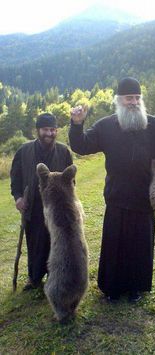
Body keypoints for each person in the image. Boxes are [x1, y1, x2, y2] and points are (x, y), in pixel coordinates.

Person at [69, 77, 155, 303]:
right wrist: (76, 124)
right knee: (115, 245)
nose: (133, 102)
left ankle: (135, 288)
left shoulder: (153, 124)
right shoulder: (105, 126)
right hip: (117, 196)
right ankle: (112, 289)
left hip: (144, 197)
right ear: (119, 100)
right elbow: (81, 146)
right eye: (128, 98)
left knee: (139, 246)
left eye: (136, 97)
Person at [10, 113, 73, 290]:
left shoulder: (63, 151)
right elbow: (16, 178)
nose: (50, 133)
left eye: (53, 130)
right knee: (35, 243)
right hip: (34, 207)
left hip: (58, 208)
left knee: (57, 243)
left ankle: (57, 277)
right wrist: (18, 198)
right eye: (46, 129)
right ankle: (34, 278)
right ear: (38, 130)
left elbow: (71, 181)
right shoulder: (24, 150)